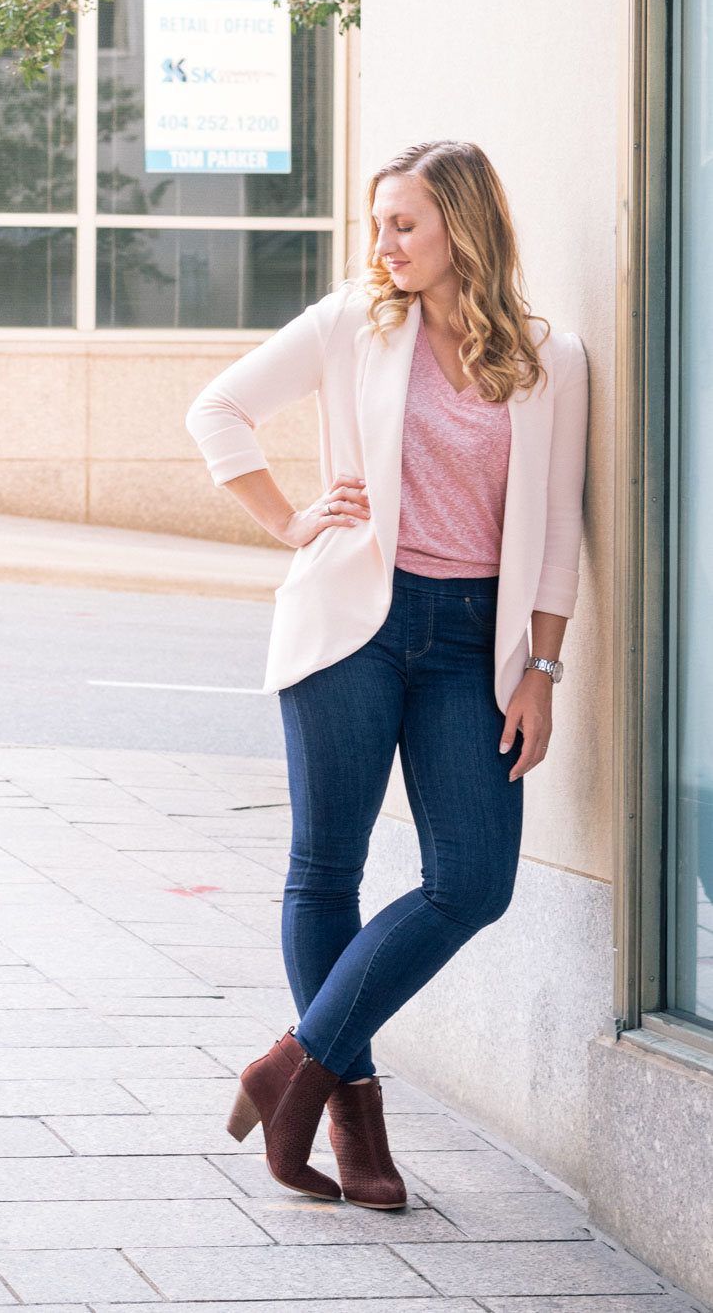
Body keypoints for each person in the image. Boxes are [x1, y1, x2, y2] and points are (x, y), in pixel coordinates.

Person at [185, 140, 589, 1209]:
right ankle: (353, 1121)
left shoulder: (551, 359)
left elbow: (554, 532)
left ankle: (289, 1066)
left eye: (402, 222)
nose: (382, 243)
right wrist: (288, 521)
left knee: (473, 879)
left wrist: (540, 665)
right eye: (376, 223)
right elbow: (215, 409)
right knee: (326, 867)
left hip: (470, 642)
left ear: (463, 223)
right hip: (349, 625)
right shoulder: (350, 324)